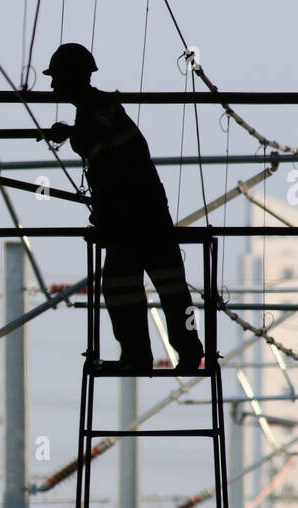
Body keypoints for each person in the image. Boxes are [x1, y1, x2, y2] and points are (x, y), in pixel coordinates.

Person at [44, 42, 206, 372]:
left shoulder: (100, 106)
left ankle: (155, 354)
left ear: (74, 76)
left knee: (139, 288)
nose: (51, 86)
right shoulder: (94, 107)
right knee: (156, 288)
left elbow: (97, 139)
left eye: (56, 77)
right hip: (138, 216)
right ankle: (169, 353)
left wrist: (71, 134)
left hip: (135, 218)